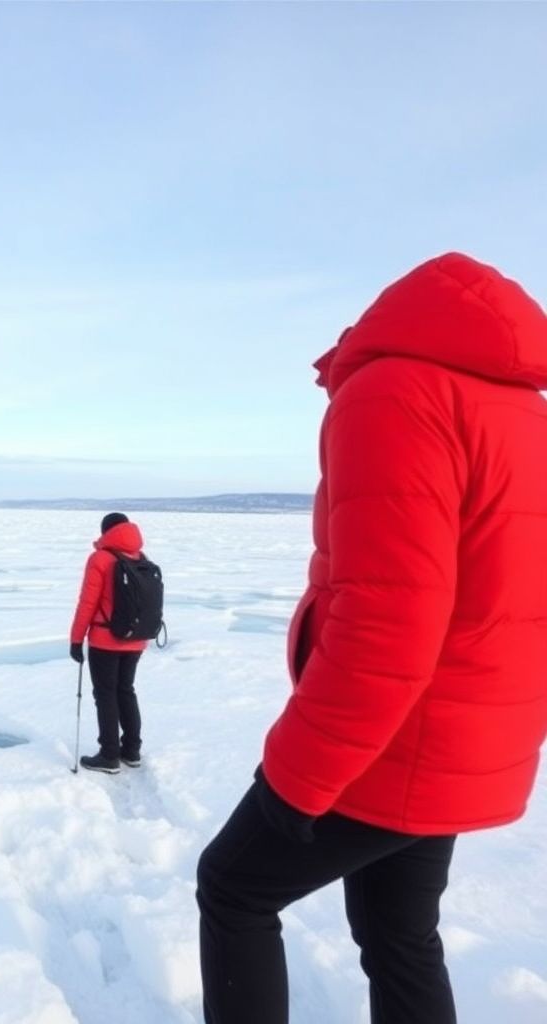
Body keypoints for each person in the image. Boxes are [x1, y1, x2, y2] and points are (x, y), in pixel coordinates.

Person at [196, 252, 547, 1024]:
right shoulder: (524, 413)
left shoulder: (394, 392)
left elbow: (392, 616)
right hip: (470, 735)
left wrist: (299, 776)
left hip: (394, 739)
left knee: (233, 888)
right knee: (400, 933)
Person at [69, 512, 148, 773]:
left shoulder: (100, 559)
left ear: (105, 532)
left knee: (105, 695)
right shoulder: (141, 558)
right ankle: (132, 750)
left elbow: (87, 603)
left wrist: (76, 639)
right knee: (126, 690)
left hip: (105, 640)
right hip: (136, 640)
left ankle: (109, 755)